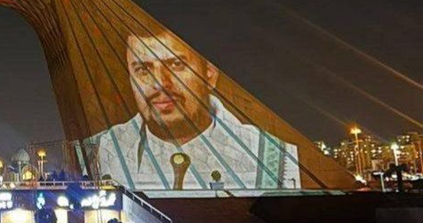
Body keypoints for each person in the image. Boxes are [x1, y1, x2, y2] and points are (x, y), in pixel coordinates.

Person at [90, 27, 300, 190]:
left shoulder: (273, 158)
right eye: (143, 69)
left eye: (176, 65)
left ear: (209, 74)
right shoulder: (95, 153)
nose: (160, 83)